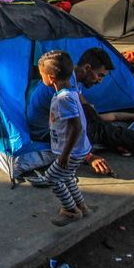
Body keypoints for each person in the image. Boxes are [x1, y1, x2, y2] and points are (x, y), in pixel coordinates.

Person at [27, 50, 134, 174]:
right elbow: (71, 128)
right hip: (46, 133)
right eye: (100, 75)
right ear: (87, 68)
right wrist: (90, 157)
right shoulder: (63, 91)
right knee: (104, 131)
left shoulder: (71, 81)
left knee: (101, 123)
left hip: (59, 125)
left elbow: (96, 115)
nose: (100, 80)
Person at [37, 50, 93, 226]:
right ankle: (81, 206)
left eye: (42, 75)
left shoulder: (64, 98)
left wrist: (65, 154)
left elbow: (76, 127)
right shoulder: (71, 92)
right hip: (76, 149)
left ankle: (70, 210)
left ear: (51, 77)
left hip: (72, 151)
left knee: (52, 178)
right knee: (67, 177)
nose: (41, 78)